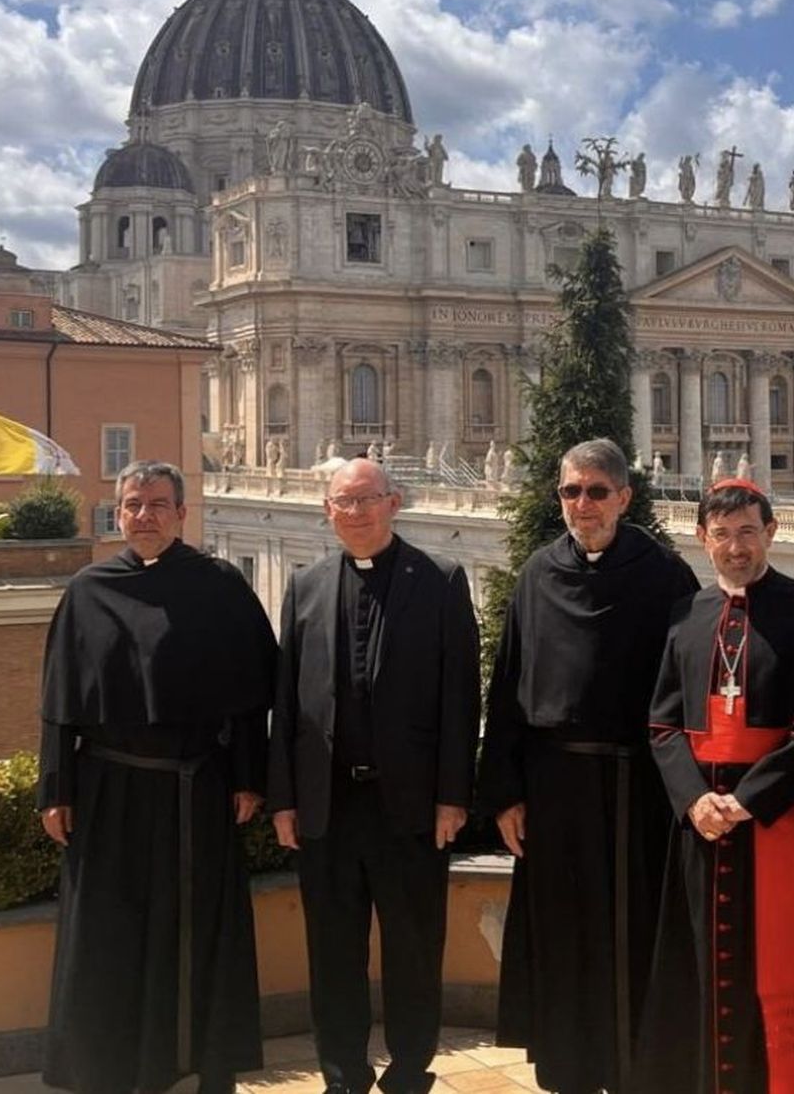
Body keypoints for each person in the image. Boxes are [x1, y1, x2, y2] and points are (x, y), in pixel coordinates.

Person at [39, 460, 276, 1094]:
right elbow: (60, 701)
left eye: (158, 504)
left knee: (198, 935)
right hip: (107, 794)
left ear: (181, 514)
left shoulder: (220, 586)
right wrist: (55, 788)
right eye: (133, 505)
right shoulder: (88, 590)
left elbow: (254, 697)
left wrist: (249, 779)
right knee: (109, 938)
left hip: (194, 790)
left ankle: (204, 1068)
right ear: (118, 513)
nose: (144, 515)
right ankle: (111, 1070)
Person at [480, 438, 700, 1094]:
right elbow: (509, 685)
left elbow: (685, 692)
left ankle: (635, 1072)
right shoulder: (537, 574)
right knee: (565, 937)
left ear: (625, 497)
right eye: (572, 491)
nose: (583, 504)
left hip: (637, 791)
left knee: (630, 937)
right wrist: (506, 792)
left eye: (597, 490)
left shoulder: (665, 575)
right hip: (553, 789)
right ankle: (569, 1071)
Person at [269, 458, 481, 1094]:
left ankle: (411, 1070)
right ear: (327, 511)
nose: (355, 512)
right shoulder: (304, 586)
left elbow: (461, 696)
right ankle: (342, 1073)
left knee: (415, 950)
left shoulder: (440, 579)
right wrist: (285, 799)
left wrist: (452, 795)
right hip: (327, 805)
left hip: (411, 806)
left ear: (394, 503)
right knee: (333, 953)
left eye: (367, 499)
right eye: (342, 501)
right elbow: (286, 701)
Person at [638, 480, 794, 1094]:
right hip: (700, 827)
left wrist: (746, 801)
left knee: (767, 968)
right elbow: (663, 723)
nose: (736, 547)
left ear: (771, 533)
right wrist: (694, 800)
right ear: (702, 540)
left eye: (748, 532)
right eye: (722, 535)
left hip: (772, 821)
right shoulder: (686, 615)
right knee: (702, 967)